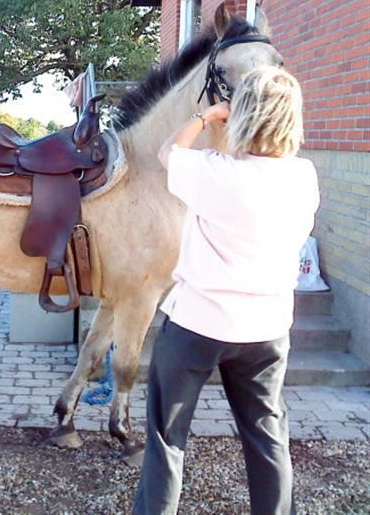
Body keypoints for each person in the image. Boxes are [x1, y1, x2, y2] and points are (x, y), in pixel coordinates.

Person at [133, 66, 319, 515]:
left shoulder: (212, 171)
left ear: (243, 116)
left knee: (166, 439)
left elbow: (165, 151)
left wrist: (204, 117)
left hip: (197, 323)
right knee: (267, 436)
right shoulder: (304, 176)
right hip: (267, 328)